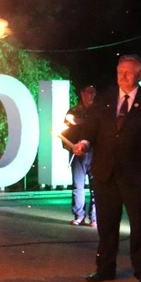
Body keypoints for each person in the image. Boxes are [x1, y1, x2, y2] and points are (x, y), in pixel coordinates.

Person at [65, 55, 141, 282]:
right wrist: (84, 142)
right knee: (107, 226)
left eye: (129, 72)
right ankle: (105, 269)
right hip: (105, 173)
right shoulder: (107, 98)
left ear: (140, 75)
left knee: (140, 226)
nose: (123, 76)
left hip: (138, 176)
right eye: (120, 71)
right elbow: (92, 127)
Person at [62, 85, 97, 226]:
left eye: (94, 92)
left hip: (95, 153)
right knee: (78, 185)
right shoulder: (74, 112)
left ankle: (94, 218)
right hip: (78, 153)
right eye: (89, 92)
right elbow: (65, 132)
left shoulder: (98, 111)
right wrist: (72, 147)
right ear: (82, 93)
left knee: (96, 187)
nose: (92, 95)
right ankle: (79, 215)